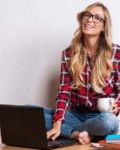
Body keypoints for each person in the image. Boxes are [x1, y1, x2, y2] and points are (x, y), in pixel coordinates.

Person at [44, 2, 120, 144]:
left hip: (101, 116)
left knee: (108, 122)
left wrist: (117, 104)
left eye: (97, 18)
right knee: (32, 112)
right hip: (76, 114)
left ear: (104, 26)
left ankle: (70, 132)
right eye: (87, 15)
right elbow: (64, 92)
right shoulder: (68, 53)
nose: (90, 20)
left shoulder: (116, 53)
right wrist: (58, 122)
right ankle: (79, 134)